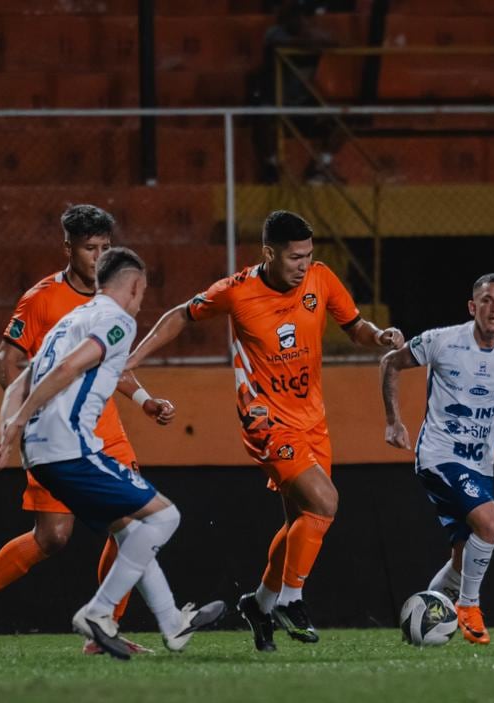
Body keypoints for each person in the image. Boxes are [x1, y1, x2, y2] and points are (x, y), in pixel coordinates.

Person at [126, 210, 403, 651]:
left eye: (309, 256)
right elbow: (181, 314)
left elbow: (355, 328)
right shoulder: (237, 291)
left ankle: (259, 603)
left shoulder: (321, 279)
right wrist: (132, 361)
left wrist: (380, 335)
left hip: (313, 420)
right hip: (265, 421)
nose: (303, 265)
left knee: (302, 522)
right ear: (269, 253)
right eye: (295, 257)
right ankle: (291, 599)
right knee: (326, 501)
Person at [0, 205, 177, 658]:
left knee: (130, 525)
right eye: (91, 248)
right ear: (68, 248)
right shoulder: (42, 299)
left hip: (106, 433)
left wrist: (145, 401)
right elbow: (6, 361)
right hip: (61, 438)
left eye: (106, 247)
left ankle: (102, 631)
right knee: (53, 537)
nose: (99, 256)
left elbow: (110, 361)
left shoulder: (116, 296)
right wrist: (30, 415)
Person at [0, 247, 225, 659]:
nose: (141, 299)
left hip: (42, 453)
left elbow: (18, 382)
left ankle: (173, 623)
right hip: (71, 447)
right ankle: (98, 613)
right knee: (165, 516)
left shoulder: (70, 320)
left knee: (131, 530)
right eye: (142, 291)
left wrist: (11, 430)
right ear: (133, 286)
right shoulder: (117, 320)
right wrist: (20, 420)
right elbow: (68, 370)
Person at [379, 273, 494, 645]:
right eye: (486, 300)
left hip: (481, 464)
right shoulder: (443, 341)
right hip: (439, 455)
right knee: (491, 521)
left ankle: (420, 625)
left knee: (462, 557)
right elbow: (391, 362)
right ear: (473, 307)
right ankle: (469, 607)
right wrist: (393, 421)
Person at [250, 0, 345, 184]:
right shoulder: (275, 33)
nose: (298, 20)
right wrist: (308, 43)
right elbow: (277, 45)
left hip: (302, 100)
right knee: (262, 120)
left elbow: (335, 42)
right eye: (293, 15)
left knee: (340, 124)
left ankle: (319, 166)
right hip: (275, 98)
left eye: (302, 16)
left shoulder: (314, 33)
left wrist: (311, 39)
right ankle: (271, 167)